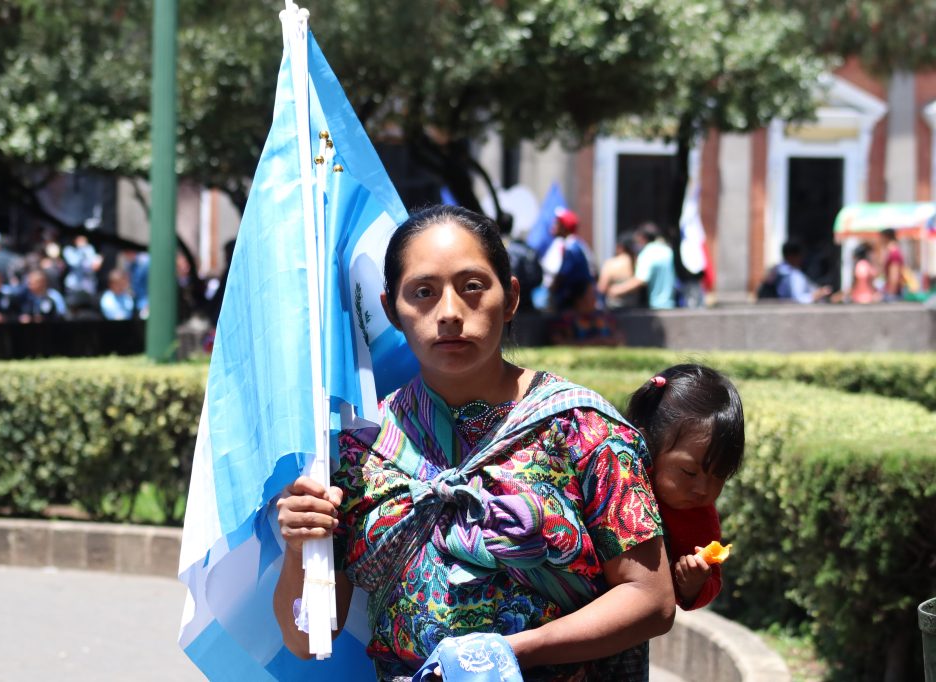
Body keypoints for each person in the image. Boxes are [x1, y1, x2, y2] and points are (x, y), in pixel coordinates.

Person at [273, 206, 674, 681]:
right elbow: (306, 639)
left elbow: (650, 598)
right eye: (423, 292)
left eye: (472, 286)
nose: (448, 313)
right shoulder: (361, 450)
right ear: (391, 310)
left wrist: (504, 655)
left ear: (511, 298)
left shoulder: (582, 428)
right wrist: (300, 547)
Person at [624, 365, 745, 611]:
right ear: (647, 445)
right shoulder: (617, 473)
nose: (703, 489)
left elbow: (712, 581)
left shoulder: (700, 519)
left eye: (719, 476)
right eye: (689, 472)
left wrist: (694, 584)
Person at [539, 207, 596, 312]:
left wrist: (552, 289)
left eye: (557, 223)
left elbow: (562, 276)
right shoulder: (572, 245)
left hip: (574, 304)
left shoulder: (572, 249)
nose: (553, 226)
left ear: (564, 227)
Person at [608, 223, 675, 310]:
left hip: (656, 306)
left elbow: (640, 280)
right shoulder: (667, 250)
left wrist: (616, 290)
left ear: (643, 238)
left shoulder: (648, 253)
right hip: (670, 304)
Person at [758, 242, 831, 304]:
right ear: (791, 256)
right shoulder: (791, 274)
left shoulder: (776, 270)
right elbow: (796, 298)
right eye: (800, 255)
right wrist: (814, 296)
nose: (802, 258)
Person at [597, 233, 640, 309]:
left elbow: (602, 288)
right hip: (634, 307)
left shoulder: (611, 263)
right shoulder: (638, 262)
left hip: (614, 308)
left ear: (620, 247)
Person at [879, 228, 904, 301]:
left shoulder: (894, 252)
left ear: (886, 237)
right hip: (892, 291)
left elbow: (894, 274)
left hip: (893, 292)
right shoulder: (892, 250)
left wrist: (890, 293)